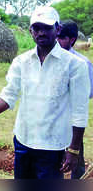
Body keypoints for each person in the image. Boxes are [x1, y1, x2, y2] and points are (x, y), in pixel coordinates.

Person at [0, 6, 90, 179]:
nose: (41, 33)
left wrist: (74, 150)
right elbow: (8, 96)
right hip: (23, 141)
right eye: (37, 28)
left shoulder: (75, 65)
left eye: (47, 27)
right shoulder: (21, 62)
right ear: (31, 31)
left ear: (57, 29)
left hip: (53, 146)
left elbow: (80, 111)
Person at [57, 20, 93, 179]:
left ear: (72, 39)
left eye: (61, 37)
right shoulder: (48, 58)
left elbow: (89, 92)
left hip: (73, 121)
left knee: (75, 159)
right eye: (56, 36)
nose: (56, 41)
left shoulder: (83, 64)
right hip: (50, 119)